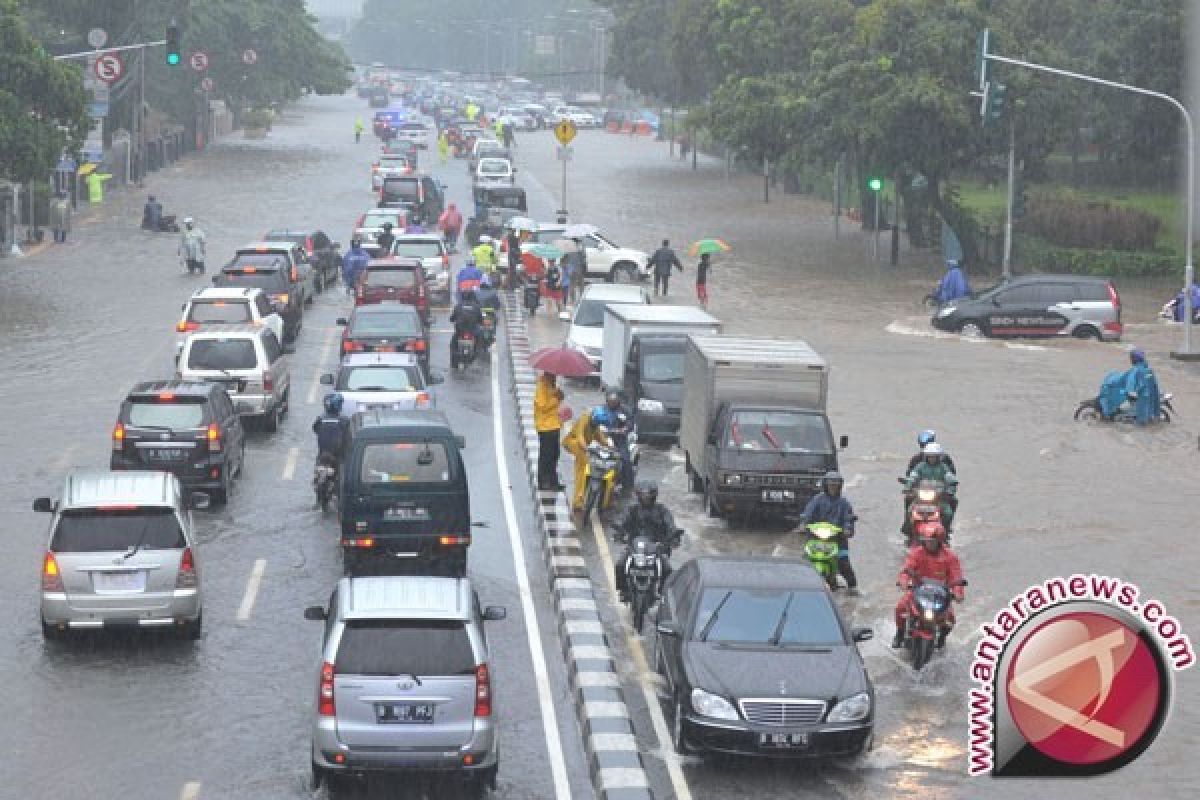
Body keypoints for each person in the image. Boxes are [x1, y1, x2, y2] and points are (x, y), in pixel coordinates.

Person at [893, 524, 965, 649]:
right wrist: (903, 582)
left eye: (932, 541)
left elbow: (956, 577)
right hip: (918, 593)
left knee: (950, 620)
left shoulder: (950, 557)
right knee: (900, 608)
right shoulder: (916, 553)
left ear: (939, 541)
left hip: (939, 596)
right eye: (926, 541)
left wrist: (958, 593)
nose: (929, 544)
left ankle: (942, 638)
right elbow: (907, 569)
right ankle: (899, 634)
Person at [613, 481, 678, 601]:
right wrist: (618, 531)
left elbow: (670, 525)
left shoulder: (662, 510)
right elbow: (623, 520)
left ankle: (662, 593)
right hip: (635, 547)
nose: (646, 499)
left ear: (654, 496)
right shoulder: (632, 509)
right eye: (643, 496)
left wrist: (674, 536)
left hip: (656, 548)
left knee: (668, 569)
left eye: (648, 496)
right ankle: (622, 590)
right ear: (638, 496)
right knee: (619, 565)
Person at [799, 471, 858, 591]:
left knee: (845, 566)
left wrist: (847, 529)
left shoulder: (844, 503)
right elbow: (808, 513)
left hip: (838, 541)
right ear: (825, 486)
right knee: (804, 563)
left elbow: (848, 518)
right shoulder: (817, 500)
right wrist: (804, 524)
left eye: (835, 486)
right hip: (816, 539)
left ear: (840, 487)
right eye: (830, 485)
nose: (833, 488)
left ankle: (853, 589)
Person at [562, 405, 613, 511]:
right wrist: (587, 448)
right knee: (582, 470)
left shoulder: (595, 425)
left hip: (584, 448)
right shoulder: (584, 418)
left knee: (588, 465)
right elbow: (580, 436)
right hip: (572, 443)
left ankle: (582, 498)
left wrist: (610, 448)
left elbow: (601, 438)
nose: (596, 425)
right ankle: (577, 502)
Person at [1098, 349, 1162, 424]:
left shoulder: (1136, 370)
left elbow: (1130, 384)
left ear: (1134, 359)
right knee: (1149, 417)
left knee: (1141, 424)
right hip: (1152, 395)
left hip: (1143, 398)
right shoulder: (1148, 370)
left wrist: (1126, 392)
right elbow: (1154, 384)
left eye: (1131, 358)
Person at [535, 373, 566, 491]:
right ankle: (543, 482)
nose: (556, 376)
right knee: (546, 455)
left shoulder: (552, 386)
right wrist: (556, 399)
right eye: (553, 375)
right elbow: (542, 406)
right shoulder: (542, 386)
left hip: (554, 425)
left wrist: (560, 396)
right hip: (545, 426)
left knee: (554, 454)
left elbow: (555, 403)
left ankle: (553, 481)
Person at [600, 390, 635, 488]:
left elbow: (630, 423)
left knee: (625, 460)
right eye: (610, 401)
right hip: (603, 438)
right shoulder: (601, 409)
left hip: (619, 439)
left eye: (614, 401)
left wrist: (624, 429)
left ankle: (627, 485)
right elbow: (593, 419)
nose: (612, 403)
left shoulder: (625, 410)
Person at [312, 393, 351, 468]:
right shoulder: (344, 420)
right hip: (338, 456)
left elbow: (315, 429)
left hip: (323, 453)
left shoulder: (320, 418)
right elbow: (348, 437)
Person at [450, 289, 485, 360]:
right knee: (480, 336)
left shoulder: (458, 306)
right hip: (473, 330)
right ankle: (478, 351)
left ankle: (454, 354)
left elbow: (452, 318)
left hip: (460, 331)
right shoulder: (477, 307)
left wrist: (453, 320)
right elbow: (481, 319)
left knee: (453, 342)